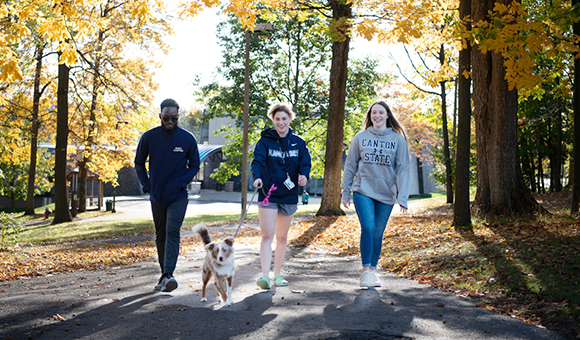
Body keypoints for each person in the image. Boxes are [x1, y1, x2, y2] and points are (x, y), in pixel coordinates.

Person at [341, 100, 410, 288]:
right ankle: (365, 272)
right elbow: (350, 166)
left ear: (387, 115)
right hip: (363, 190)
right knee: (369, 228)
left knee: (378, 233)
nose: (377, 116)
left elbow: (403, 168)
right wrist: (345, 190)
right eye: (373, 113)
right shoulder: (361, 137)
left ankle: (372, 271)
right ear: (370, 116)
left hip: (386, 193)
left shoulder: (397, 139)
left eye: (381, 113)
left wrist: (402, 197)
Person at [135, 98, 200, 292]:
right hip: (156, 195)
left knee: (172, 231)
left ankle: (168, 274)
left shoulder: (187, 138)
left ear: (178, 117)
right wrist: (147, 185)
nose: (169, 121)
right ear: (160, 116)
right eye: (166, 117)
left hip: (178, 196)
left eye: (173, 118)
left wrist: (182, 181)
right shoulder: (149, 137)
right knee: (160, 235)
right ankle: (165, 275)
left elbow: (195, 165)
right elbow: (139, 163)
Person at [251, 103, 311, 289]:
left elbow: (305, 164)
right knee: (267, 235)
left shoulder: (299, 142)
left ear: (290, 119)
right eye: (277, 119)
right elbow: (258, 162)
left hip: (289, 195)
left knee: (282, 237)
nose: (281, 122)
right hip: (268, 193)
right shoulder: (265, 142)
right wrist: (257, 178)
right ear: (273, 120)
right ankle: (264, 276)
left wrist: (303, 177)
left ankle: (277, 274)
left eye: (284, 118)